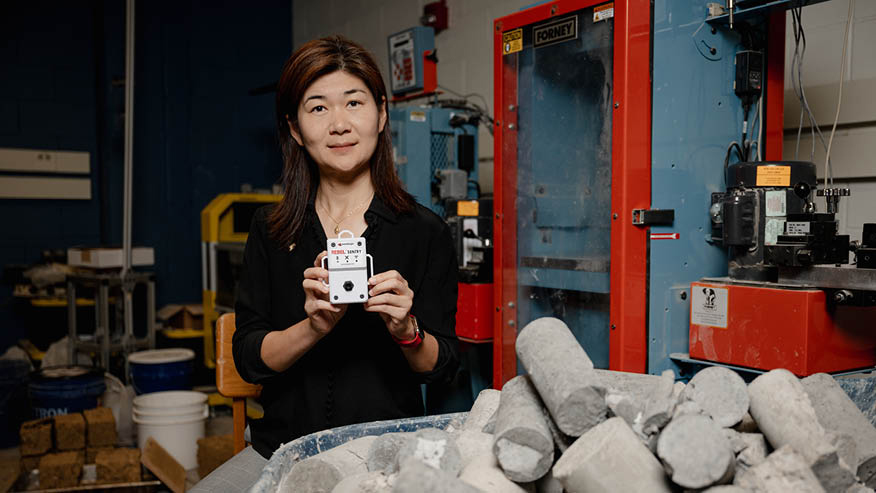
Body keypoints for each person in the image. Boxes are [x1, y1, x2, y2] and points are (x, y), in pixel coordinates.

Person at [191, 35, 460, 491]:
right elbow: (250, 358)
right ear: (295, 128)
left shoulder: (425, 230)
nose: (339, 124)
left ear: (381, 113)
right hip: (279, 449)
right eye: (318, 108)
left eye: (353, 103)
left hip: (384, 454)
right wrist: (312, 327)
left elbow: (444, 366)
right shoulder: (271, 229)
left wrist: (407, 331)